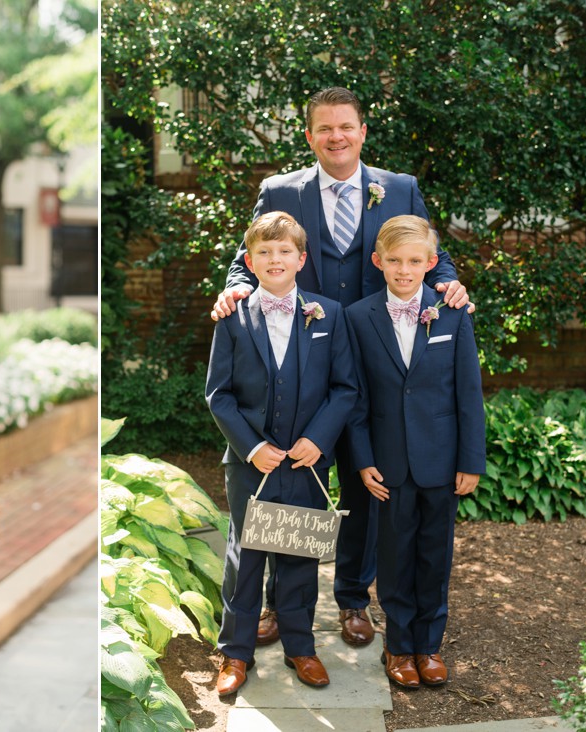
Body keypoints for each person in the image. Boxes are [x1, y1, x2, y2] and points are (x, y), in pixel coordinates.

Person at [211, 87, 472, 651]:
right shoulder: (280, 191)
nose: (336, 137)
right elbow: (246, 256)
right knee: (286, 475)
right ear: (309, 136)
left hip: (377, 354)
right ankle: (283, 606)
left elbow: (431, 252)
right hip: (304, 357)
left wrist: (448, 281)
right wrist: (235, 292)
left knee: (363, 477)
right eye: (324, 128)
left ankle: (354, 598)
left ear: (361, 131)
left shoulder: (398, 188)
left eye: (346, 127)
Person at [206, 212, 357, 695]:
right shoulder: (233, 318)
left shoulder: (328, 314)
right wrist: (251, 448)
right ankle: (235, 653)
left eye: (284, 252)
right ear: (249, 261)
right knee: (245, 557)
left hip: (306, 461)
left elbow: (344, 388)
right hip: (252, 464)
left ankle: (300, 647)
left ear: (301, 259)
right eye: (264, 253)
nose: (275, 259)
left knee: (298, 554)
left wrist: (318, 438)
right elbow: (219, 394)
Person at [346, 215, 485, 689]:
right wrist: (363, 459)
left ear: (430, 263)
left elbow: (469, 392)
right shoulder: (358, 317)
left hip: (442, 462)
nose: (404, 270)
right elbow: (356, 397)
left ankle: (429, 645)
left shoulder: (452, 314)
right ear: (378, 262)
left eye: (414, 261)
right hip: (387, 464)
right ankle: (399, 647)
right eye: (395, 261)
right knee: (395, 556)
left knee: (434, 556)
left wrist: (470, 461)